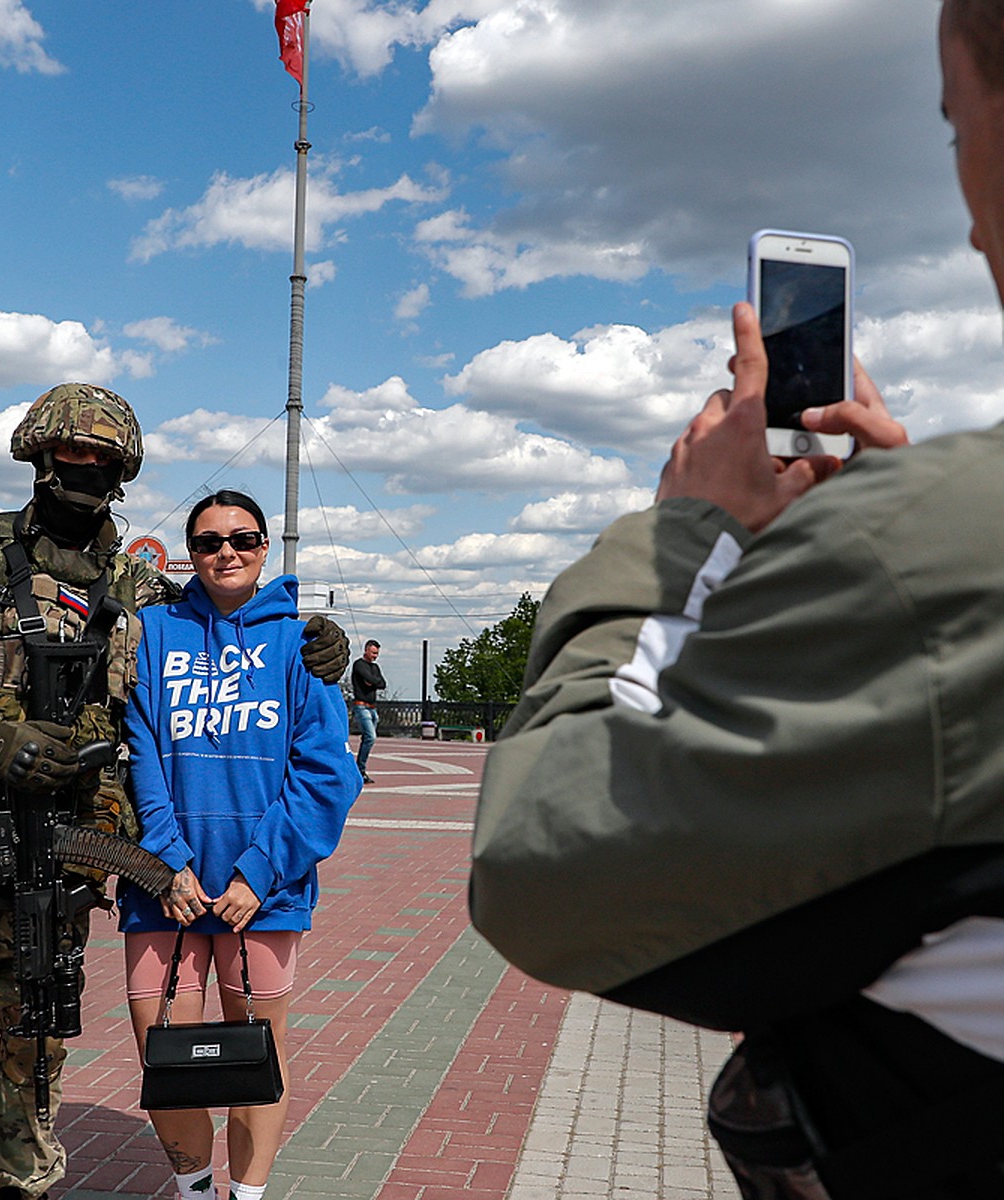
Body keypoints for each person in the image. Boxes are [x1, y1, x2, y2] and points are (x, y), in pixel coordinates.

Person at [471, 3, 1004, 1195]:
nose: (966, 214)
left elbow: (538, 868)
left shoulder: (943, 552)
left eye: (954, 125)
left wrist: (678, 535)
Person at [0, 387, 350, 1200]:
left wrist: (308, 633)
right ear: (37, 459)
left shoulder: (138, 585)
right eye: (68, 457)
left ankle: (24, 1180)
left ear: (123, 471)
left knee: (38, 1038)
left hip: (65, 844)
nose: (82, 472)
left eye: (102, 461)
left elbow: (216, 617)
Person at [120, 488, 361, 1200]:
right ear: (190, 554)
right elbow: (141, 755)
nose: (226, 551)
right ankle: (194, 1190)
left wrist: (257, 874)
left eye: (244, 539)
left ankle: (248, 1196)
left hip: (264, 895)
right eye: (208, 541)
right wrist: (168, 865)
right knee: (164, 1057)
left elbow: (325, 774)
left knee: (257, 1058)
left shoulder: (299, 643)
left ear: (264, 549)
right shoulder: (153, 632)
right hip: (163, 887)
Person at [350, 639, 385, 782]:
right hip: (361, 705)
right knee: (371, 736)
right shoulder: (359, 664)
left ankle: (360, 770)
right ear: (366, 650)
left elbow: (382, 683)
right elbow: (369, 679)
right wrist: (373, 682)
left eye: (377, 653)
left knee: (367, 739)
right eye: (373, 653)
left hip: (372, 707)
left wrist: (373, 682)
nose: (375, 656)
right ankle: (360, 769)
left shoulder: (375, 667)